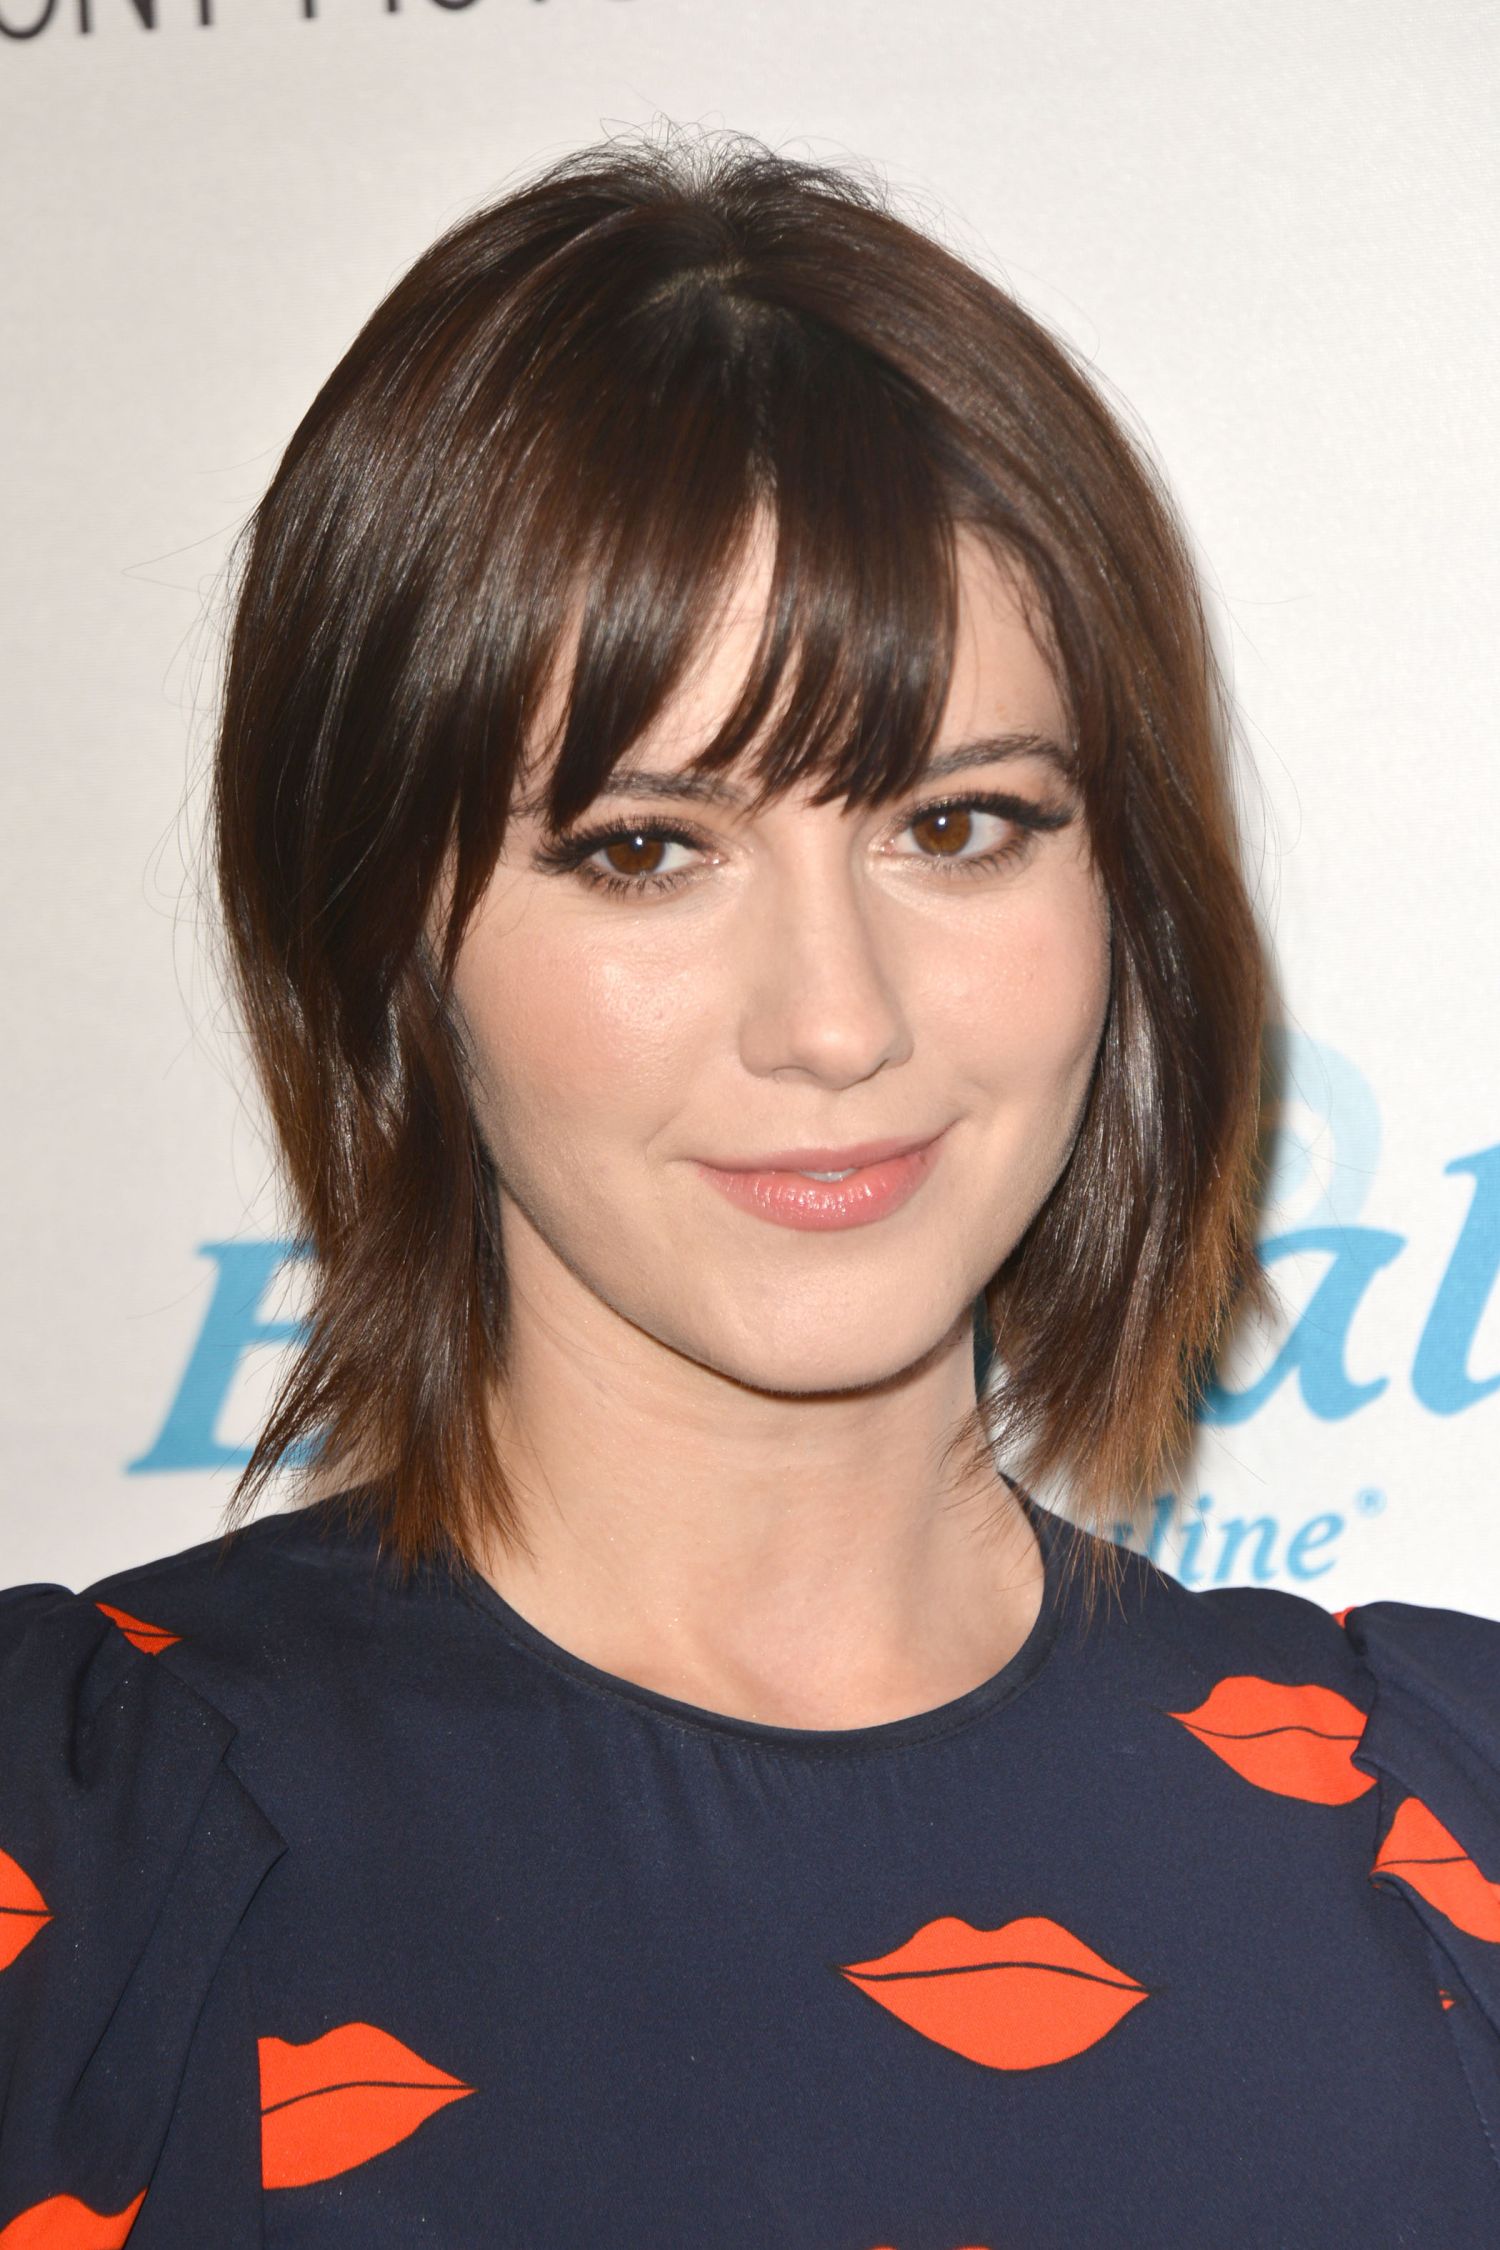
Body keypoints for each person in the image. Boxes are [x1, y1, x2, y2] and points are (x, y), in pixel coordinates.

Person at [1, 127, 1497, 2248]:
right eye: (646, 849)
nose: (835, 1018)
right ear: (375, 932)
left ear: (1124, 891)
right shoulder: (74, 1852)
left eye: (957, 826)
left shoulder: (1441, 1830)